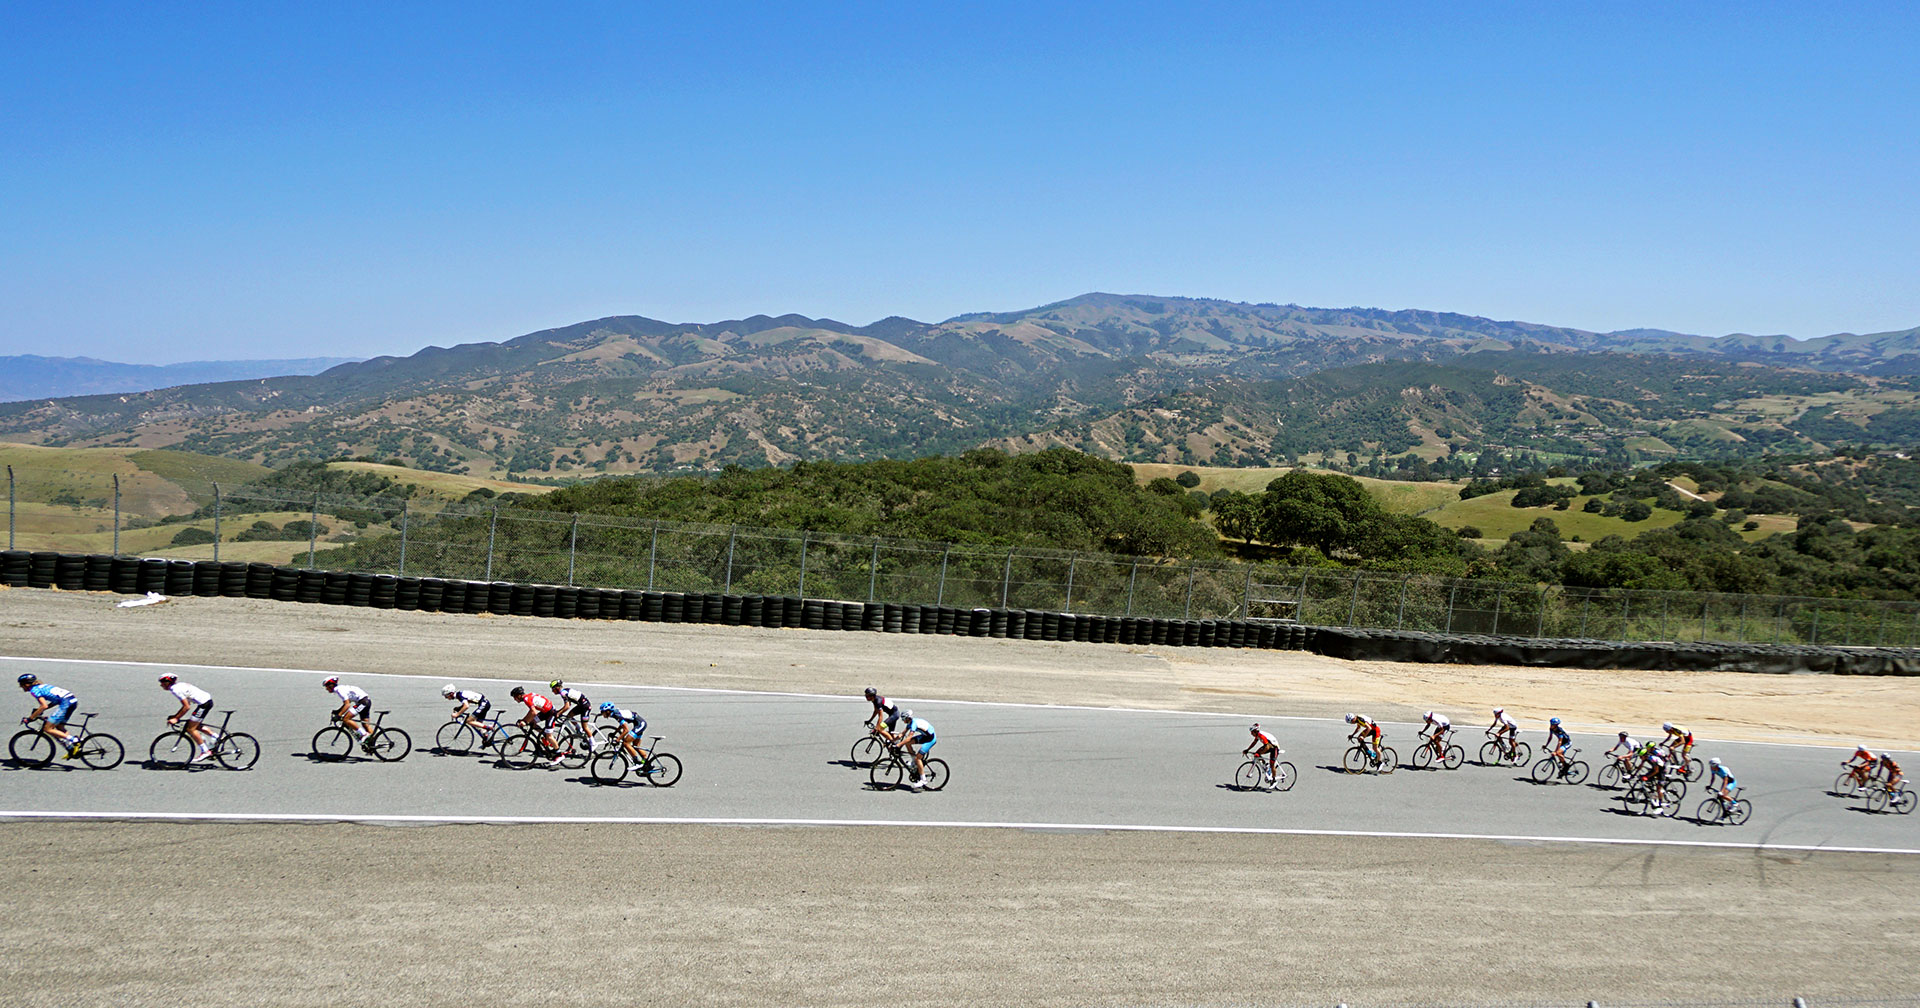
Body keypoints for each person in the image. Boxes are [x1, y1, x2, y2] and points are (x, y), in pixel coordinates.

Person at [17, 673, 82, 758]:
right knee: (59, 726)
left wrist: (30, 718)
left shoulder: (34, 690)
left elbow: (44, 706)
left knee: (47, 728)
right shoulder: (42, 686)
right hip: (72, 701)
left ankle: (74, 740)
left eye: (21, 685)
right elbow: (54, 701)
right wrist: (39, 711)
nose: (21, 687)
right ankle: (72, 748)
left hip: (66, 703)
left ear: (26, 684)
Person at [158, 673, 216, 763]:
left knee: (190, 729)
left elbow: (186, 706)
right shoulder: (179, 685)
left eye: (162, 682)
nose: (161, 685)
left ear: (167, 682)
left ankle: (205, 751)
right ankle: (216, 737)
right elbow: (186, 705)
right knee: (193, 725)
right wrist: (175, 716)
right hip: (206, 701)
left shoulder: (175, 689)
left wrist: (176, 718)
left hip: (204, 704)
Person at [322, 677, 375, 752]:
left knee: (346, 719)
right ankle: (372, 745)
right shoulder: (341, 688)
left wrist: (339, 715)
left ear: (331, 685)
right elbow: (346, 703)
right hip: (366, 701)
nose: (326, 689)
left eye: (326, 686)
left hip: (363, 702)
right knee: (366, 725)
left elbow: (347, 705)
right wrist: (338, 711)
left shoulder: (339, 690)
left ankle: (364, 734)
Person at [509, 686, 560, 758]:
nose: (514, 699)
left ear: (519, 695)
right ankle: (544, 735)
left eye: (515, 697)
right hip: (545, 711)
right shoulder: (528, 696)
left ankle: (558, 752)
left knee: (549, 736)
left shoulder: (526, 699)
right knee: (532, 722)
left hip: (550, 713)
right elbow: (531, 712)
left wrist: (525, 721)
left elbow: (533, 712)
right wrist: (525, 720)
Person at [896, 708, 937, 789]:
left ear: (908, 718)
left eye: (904, 719)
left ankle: (923, 780)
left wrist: (898, 745)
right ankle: (914, 762)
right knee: (907, 744)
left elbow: (908, 738)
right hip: (925, 736)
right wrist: (892, 741)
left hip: (930, 739)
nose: (903, 721)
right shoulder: (910, 723)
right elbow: (902, 734)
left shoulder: (914, 724)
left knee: (918, 758)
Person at [551, 680, 594, 752]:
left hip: (585, 706)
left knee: (585, 726)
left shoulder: (563, 693)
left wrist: (558, 713)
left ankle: (593, 743)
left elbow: (567, 706)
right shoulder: (564, 691)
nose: (552, 691)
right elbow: (569, 704)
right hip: (581, 705)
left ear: (557, 688)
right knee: (569, 716)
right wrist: (559, 712)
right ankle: (580, 730)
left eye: (553, 689)